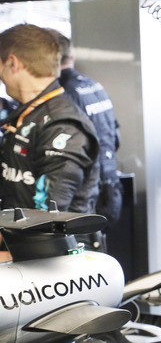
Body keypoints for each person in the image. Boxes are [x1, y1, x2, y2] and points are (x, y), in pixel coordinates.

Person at [0, 24, 99, 216]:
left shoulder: (62, 126)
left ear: (13, 64)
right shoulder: (26, 113)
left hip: (62, 245)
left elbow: (47, 220)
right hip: (18, 239)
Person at [47, 29, 123, 229]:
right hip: (111, 182)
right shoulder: (94, 85)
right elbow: (115, 137)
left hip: (89, 191)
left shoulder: (61, 94)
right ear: (71, 56)